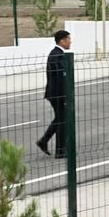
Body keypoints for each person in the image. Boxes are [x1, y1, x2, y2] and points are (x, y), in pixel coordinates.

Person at [36, 30, 72, 159]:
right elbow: (61, 77)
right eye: (68, 39)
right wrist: (66, 95)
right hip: (57, 94)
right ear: (62, 41)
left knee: (60, 119)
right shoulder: (57, 55)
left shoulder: (58, 54)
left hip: (56, 93)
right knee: (62, 120)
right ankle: (60, 151)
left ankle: (44, 141)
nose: (70, 41)